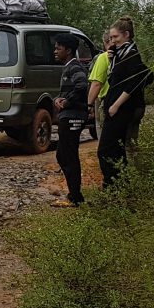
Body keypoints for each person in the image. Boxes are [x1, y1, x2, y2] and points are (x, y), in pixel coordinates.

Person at [97, 16, 153, 188]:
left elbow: (136, 81)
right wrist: (112, 56)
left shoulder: (132, 55)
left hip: (121, 109)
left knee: (106, 149)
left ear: (126, 35)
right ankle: (120, 185)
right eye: (111, 38)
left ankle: (113, 185)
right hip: (115, 106)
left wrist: (116, 105)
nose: (112, 41)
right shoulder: (120, 54)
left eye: (115, 37)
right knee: (117, 149)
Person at [51, 33, 89, 207]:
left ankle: (75, 197)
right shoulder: (68, 67)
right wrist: (59, 98)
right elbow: (73, 89)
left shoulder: (75, 67)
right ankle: (73, 193)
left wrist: (67, 102)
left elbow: (82, 86)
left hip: (73, 117)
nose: (55, 51)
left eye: (58, 48)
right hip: (68, 115)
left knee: (69, 156)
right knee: (62, 154)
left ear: (68, 50)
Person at [86, 30, 111, 138]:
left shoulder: (103, 57)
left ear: (105, 43)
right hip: (127, 100)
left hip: (105, 99)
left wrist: (89, 105)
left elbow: (96, 83)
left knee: (103, 133)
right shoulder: (128, 55)